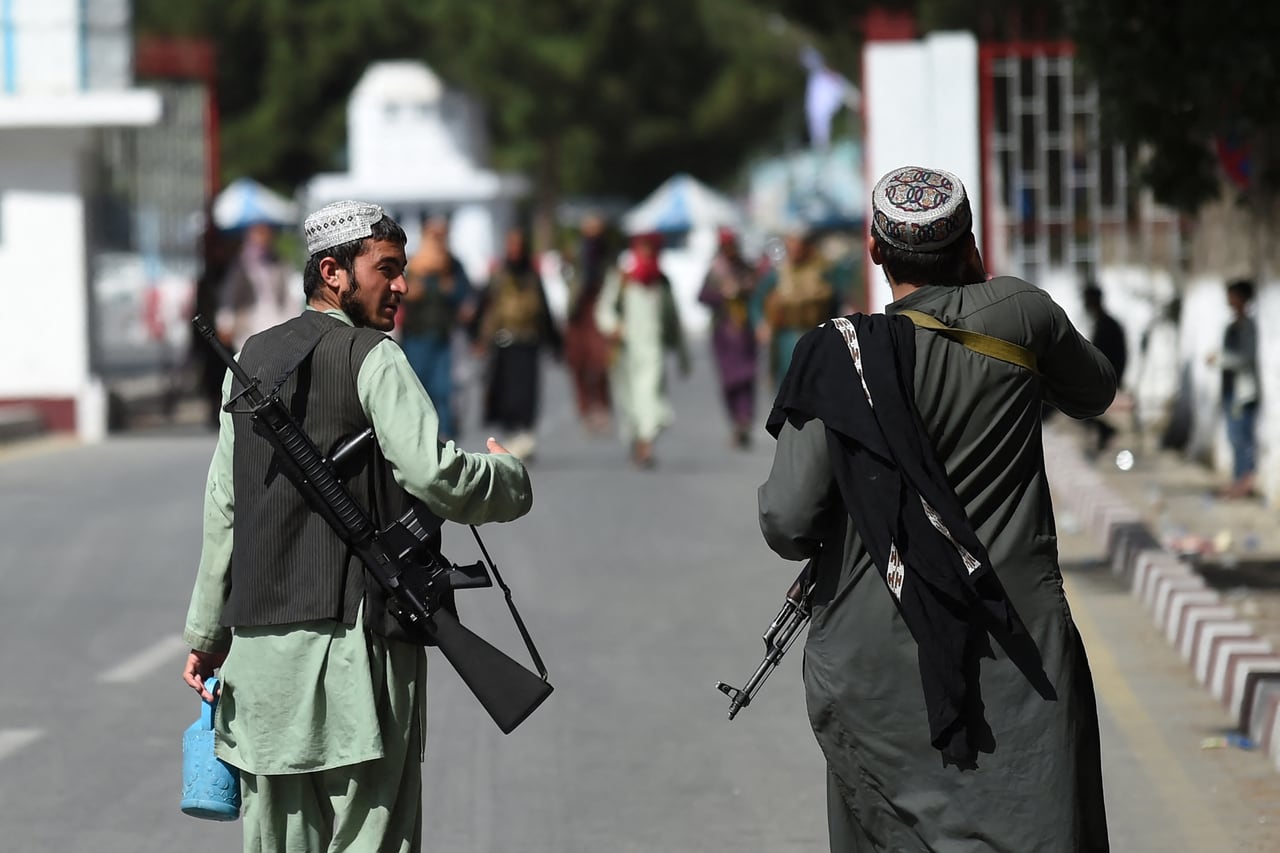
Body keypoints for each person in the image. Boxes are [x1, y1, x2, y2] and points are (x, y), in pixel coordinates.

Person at [758, 166, 1115, 851]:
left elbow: (787, 520)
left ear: (875, 250)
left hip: (875, 664)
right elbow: (1093, 391)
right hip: (1019, 652)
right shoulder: (1021, 314)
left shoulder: (836, 359)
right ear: (970, 246)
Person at [180, 200, 533, 853]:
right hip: (360, 649)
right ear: (333, 272)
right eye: (387, 269)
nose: (403, 285)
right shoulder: (375, 356)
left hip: (262, 660)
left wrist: (206, 633)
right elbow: (437, 475)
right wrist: (509, 478)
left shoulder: (252, 356)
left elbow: (223, 506)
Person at [596, 232, 690, 469]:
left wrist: (683, 356)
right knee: (628, 400)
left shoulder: (662, 282)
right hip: (625, 352)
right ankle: (636, 439)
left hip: (652, 350)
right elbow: (604, 311)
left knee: (649, 395)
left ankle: (647, 443)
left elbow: (673, 320)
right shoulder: (622, 279)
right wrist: (614, 327)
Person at [475, 226, 562, 462]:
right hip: (503, 341)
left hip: (528, 341)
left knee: (526, 393)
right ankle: (511, 435)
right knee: (505, 393)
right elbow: (485, 306)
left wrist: (555, 343)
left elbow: (543, 309)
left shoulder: (532, 276)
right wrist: (479, 337)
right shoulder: (499, 275)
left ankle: (525, 436)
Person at [399, 216, 476, 440]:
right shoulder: (413, 266)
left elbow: (465, 298)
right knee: (420, 389)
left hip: (443, 337)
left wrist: (452, 292)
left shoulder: (452, 265)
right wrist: (410, 293)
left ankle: (446, 436)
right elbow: (398, 293)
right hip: (416, 337)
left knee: (444, 389)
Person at [751, 228, 839, 385]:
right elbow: (757, 301)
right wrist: (761, 324)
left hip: (816, 335)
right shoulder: (777, 274)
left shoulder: (821, 272)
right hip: (787, 337)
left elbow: (836, 302)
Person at [698, 227, 759, 448]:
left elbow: (758, 291)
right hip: (723, 332)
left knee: (746, 378)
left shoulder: (745, 268)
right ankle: (736, 421)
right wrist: (722, 294)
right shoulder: (715, 270)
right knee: (729, 381)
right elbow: (702, 296)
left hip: (744, 331)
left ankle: (744, 420)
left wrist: (742, 289)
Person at [563, 214, 614, 434]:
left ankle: (601, 405)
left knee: (600, 361)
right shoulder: (577, 253)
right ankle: (585, 407)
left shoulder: (607, 255)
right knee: (578, 362)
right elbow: (571, 281)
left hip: (600, 308)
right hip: (579, 311)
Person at [215, 221, 297, 353]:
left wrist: (295, 322)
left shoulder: (280, 263)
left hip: (277, 323)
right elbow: (229, 295)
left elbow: (289, 296)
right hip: (249, 327)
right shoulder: (241, 264)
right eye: (259, 232)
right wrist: (225, 322)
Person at [1211, 278, 1259, 498]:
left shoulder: (1248, 326)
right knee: (1234, 437)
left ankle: (1244, 482)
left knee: (1241, 438)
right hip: (1231, 391)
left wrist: (1221, 359)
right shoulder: (1231, 326)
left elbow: (1246, 358)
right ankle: (1239, 480)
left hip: (1243, 393)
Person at [1081, 282, 1128, 455]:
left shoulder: (1107, 325)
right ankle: (1103, 432)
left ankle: (1105, 431)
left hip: (1107, 378)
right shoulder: (1103, 323)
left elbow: (1105, 357)